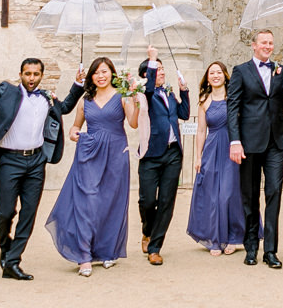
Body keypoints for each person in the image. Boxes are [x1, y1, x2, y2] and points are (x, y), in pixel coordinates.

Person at [0, 47, 83, 280]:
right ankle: (5, 247)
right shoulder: (6, 92)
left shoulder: (47, 98)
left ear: (41, 75)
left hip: (36, 162)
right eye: (28, 74)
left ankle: (12, 262)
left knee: (28, 213)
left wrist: (77, 84)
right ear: (21, 74)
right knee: (6, 211)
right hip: (9, 160)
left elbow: (67, 107)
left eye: (36, 74)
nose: (32, 78)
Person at [45, 56, 140, 276]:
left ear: (112, 74)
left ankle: (107, 251)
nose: (101, 76)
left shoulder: (122, 97)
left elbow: (133, 123)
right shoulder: (85, 100)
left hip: (116, 153)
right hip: (89, 154)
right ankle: (84, 256)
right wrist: (74, 133)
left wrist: (135, 97)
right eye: (96, 72)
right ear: (91, 76)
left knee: (110, 203)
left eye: (105, 71)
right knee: (87, 203)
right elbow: (74, 128)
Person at [227, 29, 283, 269]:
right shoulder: (240, 71)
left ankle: (270, 251)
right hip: (249, 143)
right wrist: (235, 141)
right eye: (264, 42)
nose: (268, 46)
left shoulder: (279, 70)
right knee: (249, 196)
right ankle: (251, 247)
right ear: (254, 45)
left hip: (275, 142)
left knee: (274, 194)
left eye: (271, 43)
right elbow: (233, 107)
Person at [187, 61, 246, 257]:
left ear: (225, 75)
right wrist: (198, 156)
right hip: (212, 149)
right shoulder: (204, 100)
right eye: (211, 73)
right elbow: (202, 130)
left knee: (228, 193)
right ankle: (214, 238)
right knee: (212, 195)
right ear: (208, 77)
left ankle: (233, 237)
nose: (215, 75)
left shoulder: (234, 97)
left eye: (219, 72)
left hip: (230, 147)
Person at [138, 46, 190, 266]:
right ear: (147, 74)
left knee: (167, 201)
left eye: (162, 68)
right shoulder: (145, 93)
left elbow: (184, 114)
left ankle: (155, 247)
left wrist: (184, 91)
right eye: (157, 69)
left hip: (172, 154)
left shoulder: (169, 92)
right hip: (151, 154)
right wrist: (151, 59)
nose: (162, 72)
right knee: (148, 200)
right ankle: (147, 230)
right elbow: (149, 87)